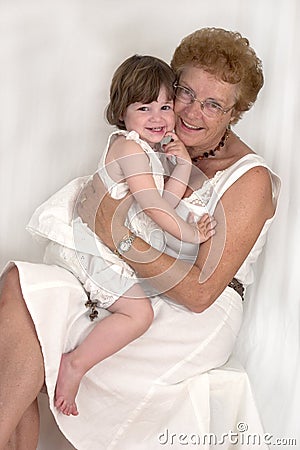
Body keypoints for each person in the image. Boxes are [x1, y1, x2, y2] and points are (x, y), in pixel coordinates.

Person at [0, 27, 280, 450]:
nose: (190, 112)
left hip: (193, 314)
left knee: (33, 334)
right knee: (20, 287)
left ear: (233, 114)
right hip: (134, 281)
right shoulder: (159, 146)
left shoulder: (250, 178)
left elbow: (200, 294)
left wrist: (115, 232)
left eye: (212, 104)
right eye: (184, 94)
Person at [32, 54, 215, 416]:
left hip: (109, 245)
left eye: (165, 106)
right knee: (139, 314)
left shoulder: (147, 152)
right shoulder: (129, 148)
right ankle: (76, 364)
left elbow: (163, 200)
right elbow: (153, 207)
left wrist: (183, 165)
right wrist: (191, 233)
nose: (158, 118)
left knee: (142, 305)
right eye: (144, 108)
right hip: (92, 247)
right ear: (122, 112)